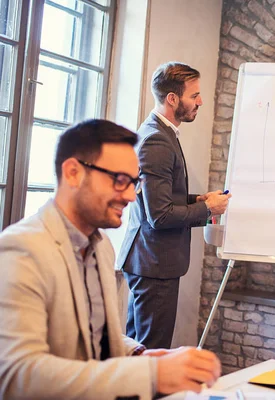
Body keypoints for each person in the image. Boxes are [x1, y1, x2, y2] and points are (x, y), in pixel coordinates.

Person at [0, 120, 221, 399]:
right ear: (73, 173)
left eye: (134, 182)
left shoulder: (102, 246)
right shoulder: (21, 250)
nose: (131, 195)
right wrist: (151, 375)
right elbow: (18, 376)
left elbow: (94, 339)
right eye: (119, 180)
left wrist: (140, 354)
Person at [118, 62, 231, 349]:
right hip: (154, 263)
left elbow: (161, 198)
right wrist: (209, 211)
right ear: (172, 99)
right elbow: (160, 215)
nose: (200, 102)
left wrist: (198, 200)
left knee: (140, 350)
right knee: (151, 352)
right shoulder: (156, 139)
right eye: (194, 96)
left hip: (152, 260)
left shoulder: (161, 131)